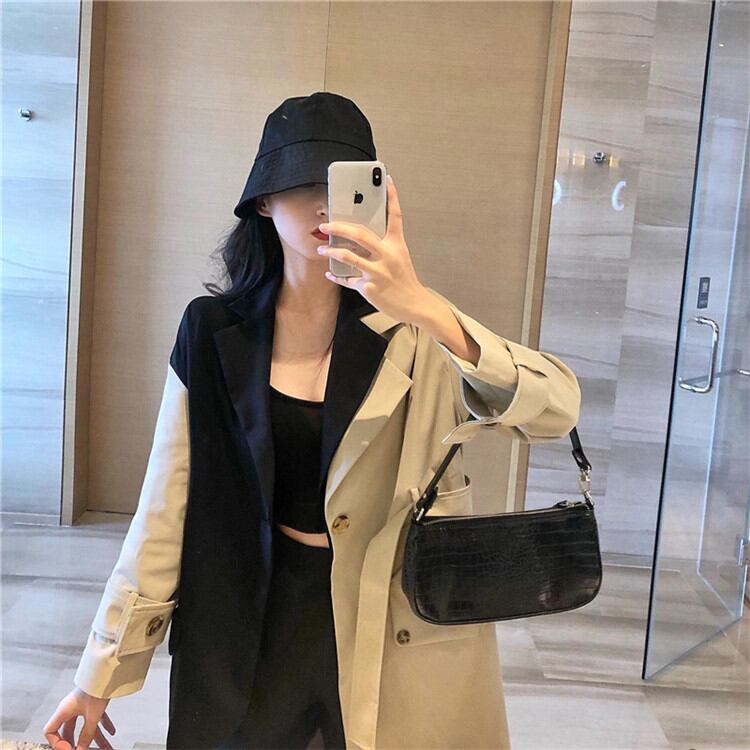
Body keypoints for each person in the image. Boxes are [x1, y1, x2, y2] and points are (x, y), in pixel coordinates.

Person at [44, 91, 581, 750]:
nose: (325, 204)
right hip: (245, 625)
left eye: (345, 184)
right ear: (263, 201)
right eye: (303, 183)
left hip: (383, 628)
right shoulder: (212, 332)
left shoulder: (415, 332)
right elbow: (166, 506)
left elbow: (557, 409)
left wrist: (421, 304)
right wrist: (99, 673)